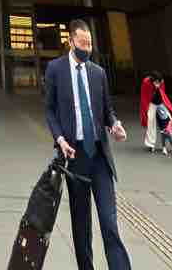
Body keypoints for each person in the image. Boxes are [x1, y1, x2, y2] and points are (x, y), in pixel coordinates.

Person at [45, 19, 132, 270]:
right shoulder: (55, 69)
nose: (87, 48)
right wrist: (60, 139)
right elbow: (50, 110)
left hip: (100, 157)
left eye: (90, 43)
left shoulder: (98, 73)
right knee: (81, 226)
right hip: (75, 156)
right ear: (71, 42)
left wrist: (115, 124)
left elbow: (107, 111)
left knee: (109, 223)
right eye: (82, 43)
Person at [139, 72, 172, 155]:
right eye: (156, 82)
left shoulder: (161, 82)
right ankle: (150, 144)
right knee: (150, 121)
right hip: (151, 103)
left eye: (159, 82)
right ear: (152, 80)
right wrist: (145, 109)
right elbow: (144, 96)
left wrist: (157, 88)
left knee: (170, 122)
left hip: (160, 103)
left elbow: (162, 93)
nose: (158, 84)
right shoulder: (146, 82)